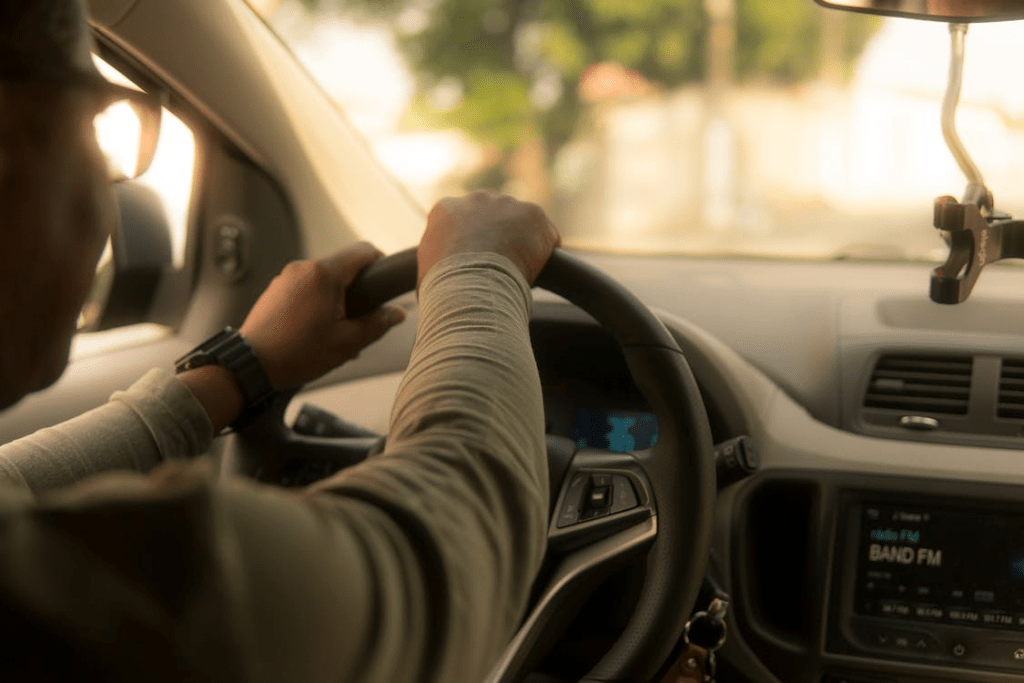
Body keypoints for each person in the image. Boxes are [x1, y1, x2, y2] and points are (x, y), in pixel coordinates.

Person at [0, 0, 560, 680]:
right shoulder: (102, 592)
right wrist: (478, 273)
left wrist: (241, 369)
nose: (112, 186)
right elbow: (439, 560)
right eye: (99, 122)